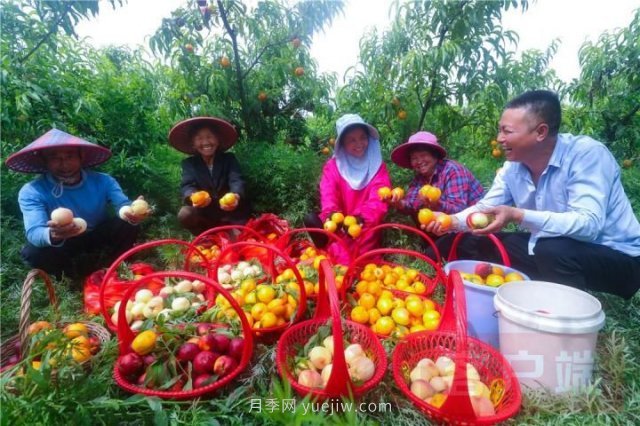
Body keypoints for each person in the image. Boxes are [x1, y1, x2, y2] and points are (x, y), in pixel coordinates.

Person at [428, 90, 640, 299]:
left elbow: (588, 226)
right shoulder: (513, 167)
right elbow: (486, 209)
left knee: (551, 250)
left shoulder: (586, 154)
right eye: (499, 131)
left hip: (618, 257)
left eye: (507, 131)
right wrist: (451, 221)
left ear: (540, 132)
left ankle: (566, 319)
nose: (499, 138)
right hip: (550, 246)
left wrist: (518, 215)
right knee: (468, 242)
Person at [6, 129, 146, 279]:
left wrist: (130, 212)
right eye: (54, 158)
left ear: (81, 156)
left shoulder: (103, 181)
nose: (64, 164)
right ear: (43, 161)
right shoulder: (32, 191)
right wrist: (54, 234)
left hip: (97, 234)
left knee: (126, 223)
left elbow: (122, 204)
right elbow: (34, 232)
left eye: (70, 156)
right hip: (63, 242)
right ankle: (69, 277)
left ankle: (118, 266)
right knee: (33, 253)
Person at [303, 114, 391, 264]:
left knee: (356, 260)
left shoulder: (377, 167)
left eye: (362, 137)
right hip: (338, 228)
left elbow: (379, 200)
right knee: (334, 255)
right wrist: (332, 214)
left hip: (365, 229)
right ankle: (331, 253)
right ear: (342, 144)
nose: (359, 143)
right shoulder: (333, 167)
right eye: (352, 140)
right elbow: (328, 194)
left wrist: (360, 219)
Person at [169, 116, 251, 236]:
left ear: (217, 140)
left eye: (210, 137)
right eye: (199, 138)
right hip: (205, 215)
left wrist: (236, 196)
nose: (206, 142)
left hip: (231, 213)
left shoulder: (229, 159)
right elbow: (187, 185)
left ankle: (230, 230)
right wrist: (192, 197)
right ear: (193, 144)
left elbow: (236, 180)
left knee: (236, 247)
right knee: (185, 214)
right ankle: (205, 236)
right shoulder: (189, 164)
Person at [390, 130, 484, 217]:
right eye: (414, 158)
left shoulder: (452, 170)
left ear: (435, 156)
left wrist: (436, 204)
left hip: (476, 224)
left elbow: (459, 210)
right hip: (446, 226)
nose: (419, 161)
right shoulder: (419, 179)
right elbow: (411, 205)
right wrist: (399, 204)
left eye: (423, 155)